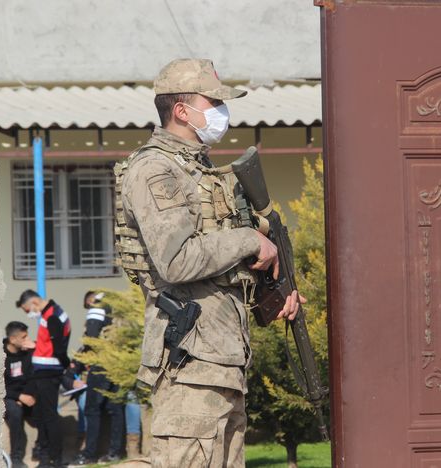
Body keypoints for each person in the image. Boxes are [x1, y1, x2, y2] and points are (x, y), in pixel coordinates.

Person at [118, 58, 303, 467]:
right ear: (181, 110)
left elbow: (221, 272)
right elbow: (176, 262)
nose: (222, 112)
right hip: (190, 363)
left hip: (221, 363)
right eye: (213, 101)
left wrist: (274, 294)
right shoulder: (154, 170)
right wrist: (248, 239)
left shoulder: (197, 171)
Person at [16, 289, 71, 468]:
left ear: (33, 303)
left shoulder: (52, 315)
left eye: (27, 310)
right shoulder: (52, 313)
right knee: (43, 416)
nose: (29, 313)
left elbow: (59, 348)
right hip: (44, 372)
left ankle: (55, 459)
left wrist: (66, 364)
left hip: (48, 373)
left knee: (49, 417)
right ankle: (46, 458)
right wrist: (36, 345)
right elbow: (52, 343)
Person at [73, 291, 126, 465]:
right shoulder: (118, 308)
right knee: (115, 409)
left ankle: (89, 454)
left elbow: (91, 338)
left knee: (91, 410)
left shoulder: (97, 306)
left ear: (89, 300)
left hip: (101, 364)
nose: (89, 309)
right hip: (120, 363)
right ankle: (116, 452)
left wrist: (87, 356)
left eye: (87, 306)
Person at [3, 321, 36, 468]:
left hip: (25, 395)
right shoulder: (1, 356)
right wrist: (18, 397)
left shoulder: (27, 353)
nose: (27, 340)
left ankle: (43, 452)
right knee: (15, 412)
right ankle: (16, 458)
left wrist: (26, 395)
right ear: (12, 339)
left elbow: (32, 377)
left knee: (46, 407)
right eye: (23, 337)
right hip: (7, 396)